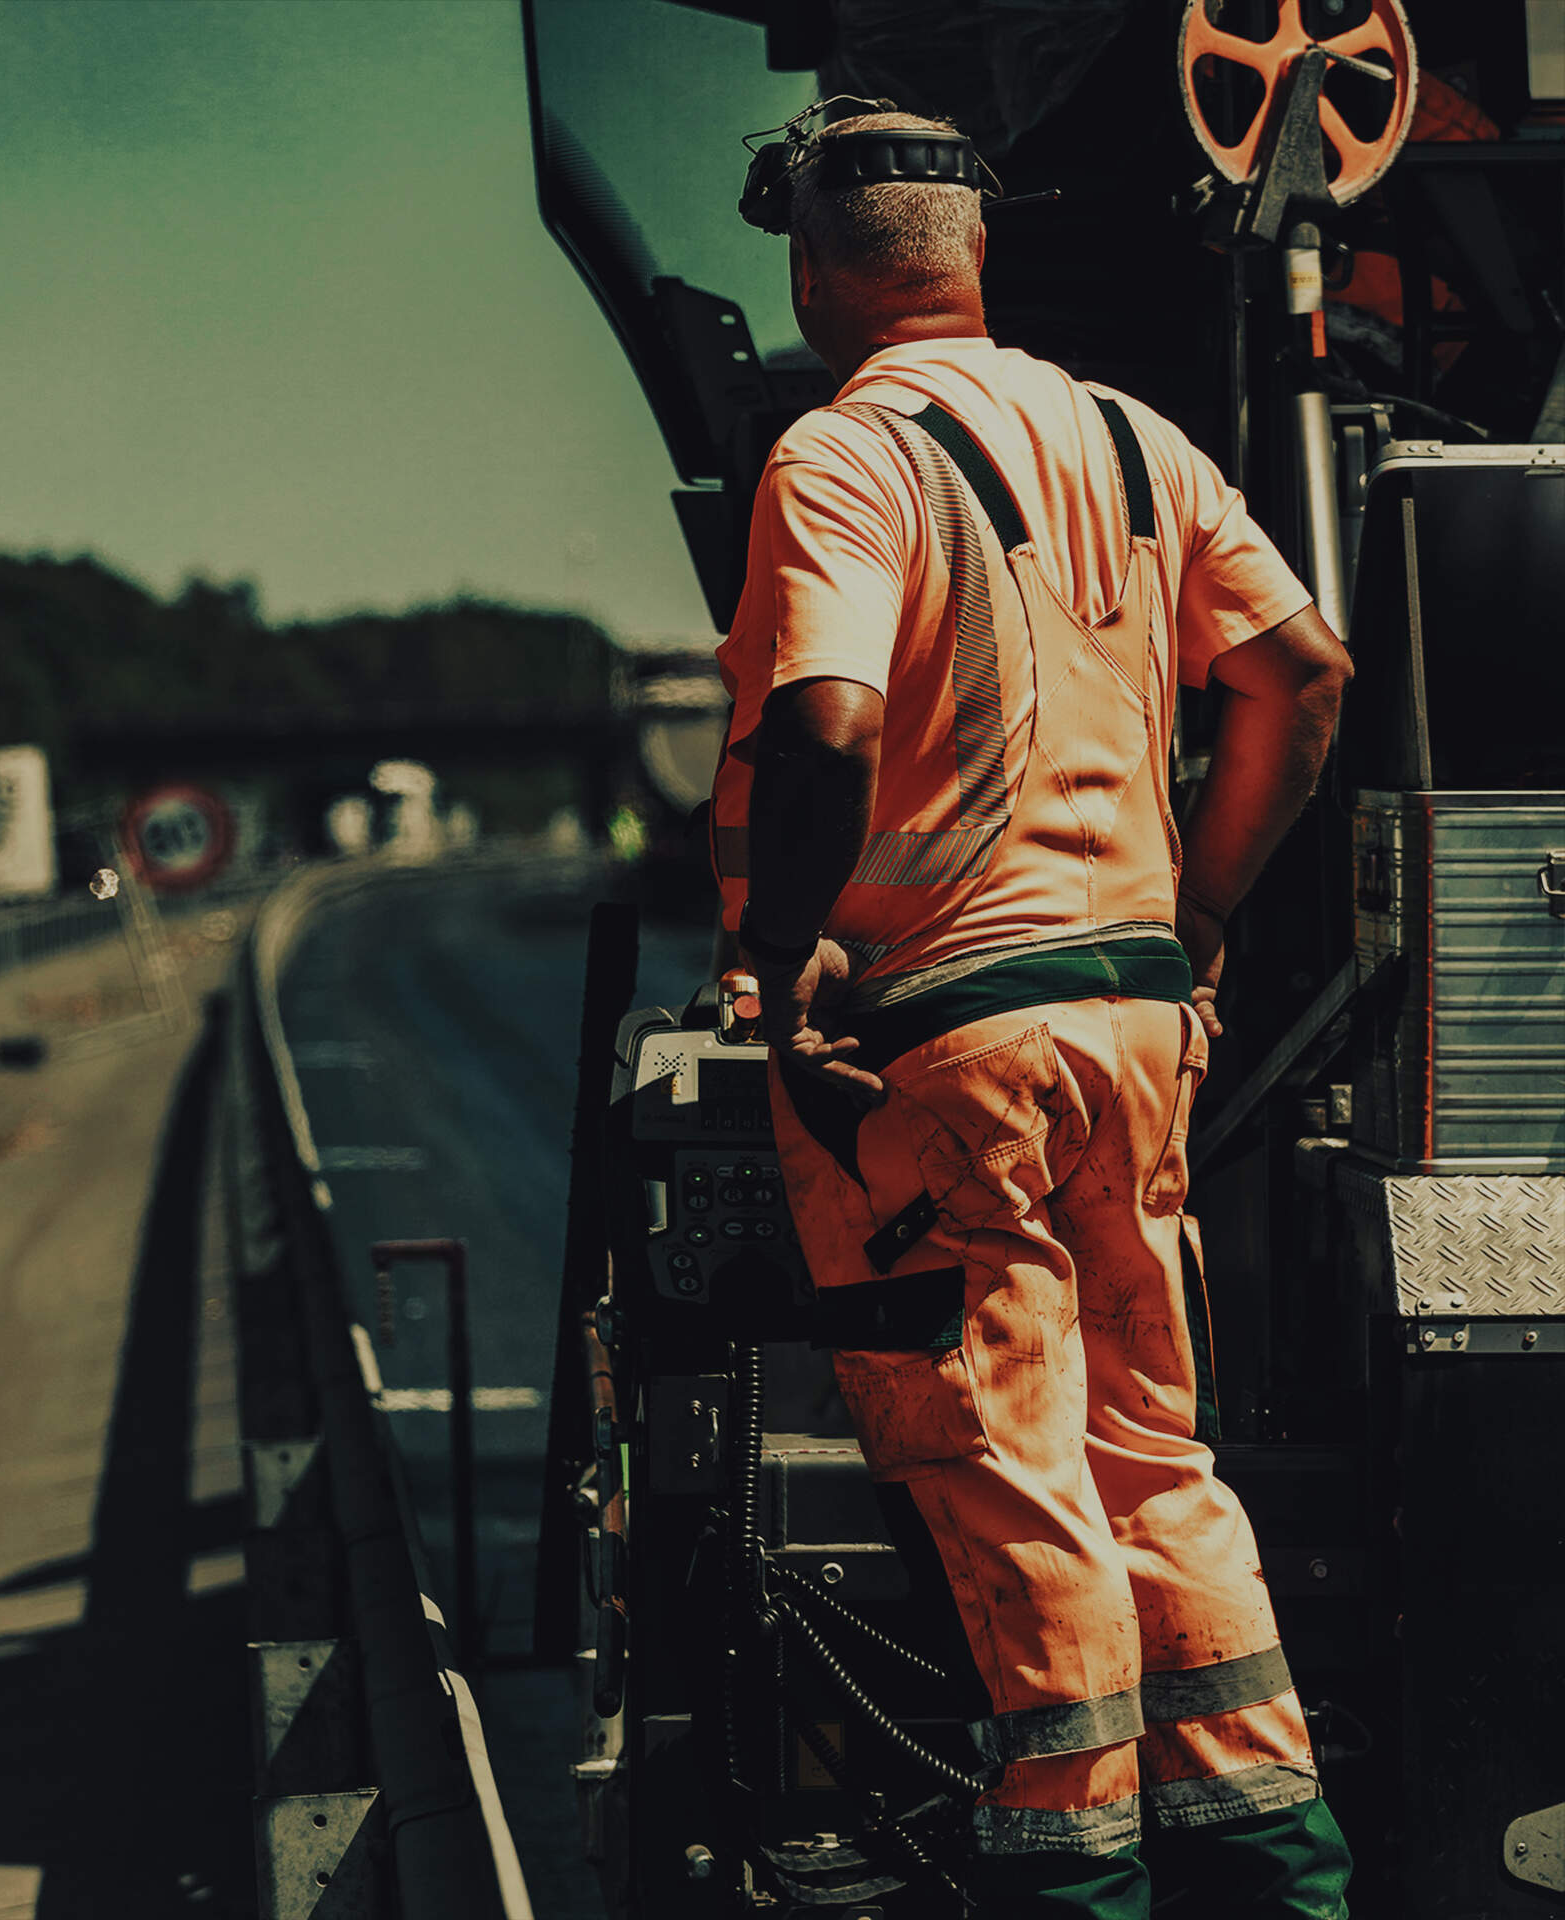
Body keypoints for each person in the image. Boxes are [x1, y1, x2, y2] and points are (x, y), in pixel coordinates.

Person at [712, 109, 1356, 1917]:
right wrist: (1201, 911)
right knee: (1155, 1459)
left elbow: (829, 727)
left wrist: (784, 962)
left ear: (812, 269)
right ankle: (1284, 1882)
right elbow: (1300, 676)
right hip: (1134, 1027)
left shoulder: (842, 456)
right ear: (974, 254)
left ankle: (1074, 1888)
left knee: (1014, 1482)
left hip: (942, 1051)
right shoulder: (1139, 443)